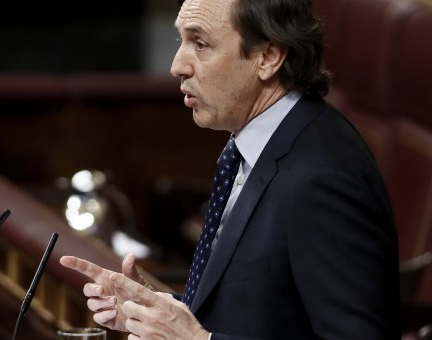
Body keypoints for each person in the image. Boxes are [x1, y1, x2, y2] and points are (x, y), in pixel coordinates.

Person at [59, 0, 401, 338]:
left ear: (268, 57)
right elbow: (263, 312)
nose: (177, 65)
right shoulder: (260, 142)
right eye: (181, 40)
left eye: (201, 44)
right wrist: (154, 312)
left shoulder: (323, 178)